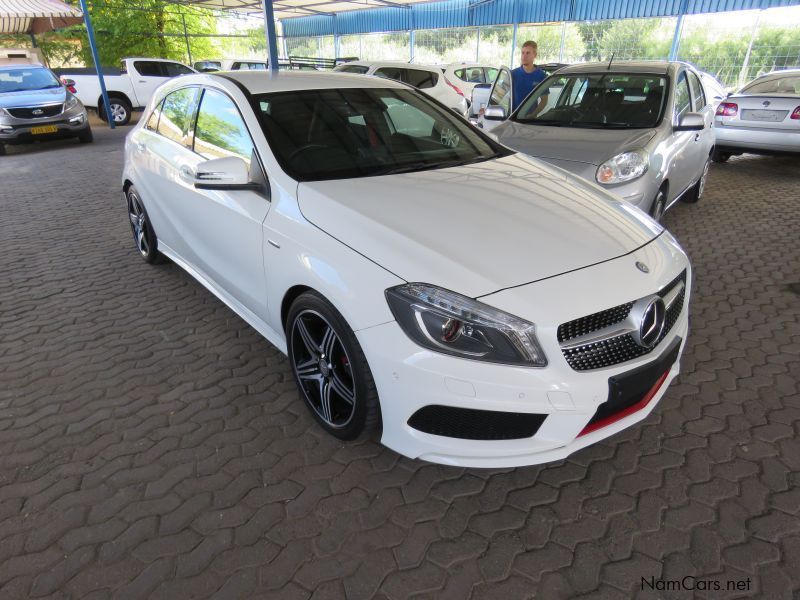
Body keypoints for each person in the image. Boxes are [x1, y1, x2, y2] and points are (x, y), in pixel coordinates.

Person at [511, 40, 547, 113]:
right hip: (512, 118)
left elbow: (544, 100)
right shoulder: (513, 74)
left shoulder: (541, 75)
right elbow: (500, 93)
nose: (524, 56)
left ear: (535, 55)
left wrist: (533, 115)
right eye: (522, 53)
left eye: (528, 53)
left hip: (529, 121)